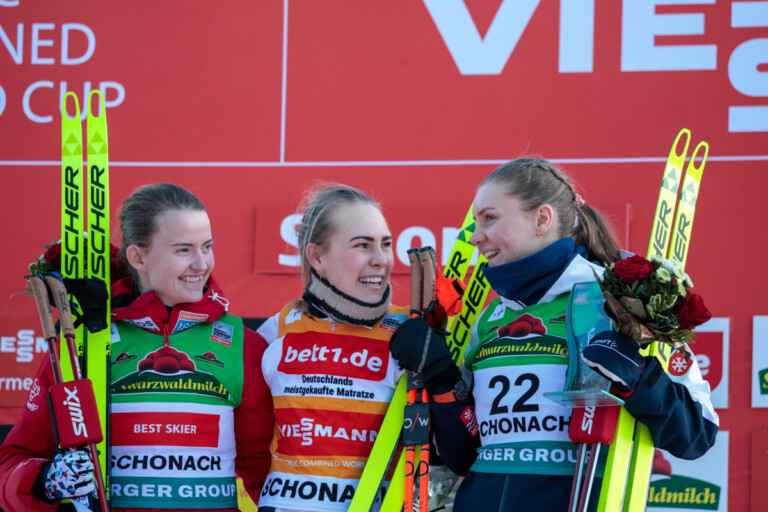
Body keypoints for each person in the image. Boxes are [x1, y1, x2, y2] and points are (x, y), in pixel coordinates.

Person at [389, 158, 719, 511]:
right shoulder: (489, 317)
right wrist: (442, 380)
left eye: (490, 218)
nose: (474, 236)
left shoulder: (621, 304)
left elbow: (696, 435)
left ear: (542, 219)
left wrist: (638, 377)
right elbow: (464, 456)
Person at [0, 183, 274, 511]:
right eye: (184, 250)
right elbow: (14, 461)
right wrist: (46, 481)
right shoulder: (85, 344)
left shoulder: (242, 344)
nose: (202, 264)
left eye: (207, 246)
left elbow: (265, 474)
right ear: (138, 256)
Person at [256, 184, 409, 512]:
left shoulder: (409, 333)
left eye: (385, 244)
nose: (381, 260)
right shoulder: (275, 332)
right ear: (317, 257)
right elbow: (248, 441)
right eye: (362, 246)